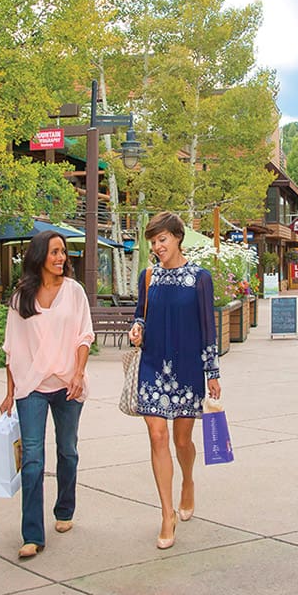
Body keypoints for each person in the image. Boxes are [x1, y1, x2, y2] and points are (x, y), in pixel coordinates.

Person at [128, 212, 221, 551]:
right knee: (157, 436)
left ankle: (188, 482)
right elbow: (141, 313)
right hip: (153, 364)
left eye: (162, 240)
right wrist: (137, 328)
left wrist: (212, 374)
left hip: (187, 369)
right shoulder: (148, 276)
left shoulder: (200, 278)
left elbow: (209, 328)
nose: (157, 247)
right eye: (153, 242)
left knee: (182, 442)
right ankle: (166, 514)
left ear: (178, 237)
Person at [0, 230, 93, 561]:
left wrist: (79, 374)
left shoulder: (74, 292)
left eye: (63, 252)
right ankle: (32, 535)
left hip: (67, 385)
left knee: (67, 451)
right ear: (39, 256)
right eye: (54, 252)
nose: (60, 257)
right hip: (32, 388)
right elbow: (12, 348)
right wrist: (10, 392)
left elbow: (84, 336)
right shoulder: (20, 297)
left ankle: (64, 509)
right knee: (33, 460)